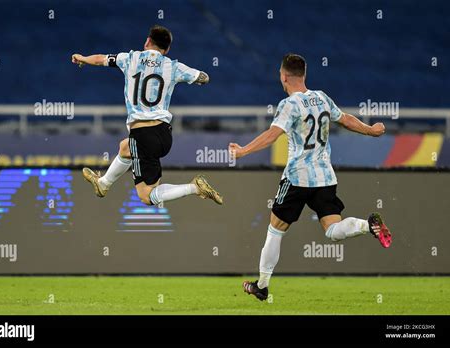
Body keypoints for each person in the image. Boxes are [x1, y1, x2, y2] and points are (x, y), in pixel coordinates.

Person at [229, 53, 392, 301]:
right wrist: (370, 130)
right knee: (333, 228)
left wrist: (243, 150)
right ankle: (365, 225)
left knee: (275, 230)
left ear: (283, 76)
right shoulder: (322, 97)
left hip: (296, 178)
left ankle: (261, 286)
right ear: (304, 75)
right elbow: (345, 119)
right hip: (325, 177)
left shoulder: (288, 104)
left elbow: (273, 134)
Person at [71, 25, 222, 206]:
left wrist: (82, 58)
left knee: (146, 196)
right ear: (166, 50)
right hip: (164, 135)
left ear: (147, 42)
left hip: (142, 134)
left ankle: (194, 188)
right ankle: (103, 183)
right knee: (126, 147)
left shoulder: (130, 58)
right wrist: (196, 78)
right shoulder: (172, 66)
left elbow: (99, 59)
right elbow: (203, 77)